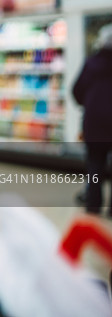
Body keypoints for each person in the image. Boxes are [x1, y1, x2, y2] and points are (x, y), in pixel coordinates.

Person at [72, 23, 112, 215]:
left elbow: (76, 90)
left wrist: (89, 104)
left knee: (95, 164)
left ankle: (93, 205)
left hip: (94, 123)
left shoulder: (91, 63)